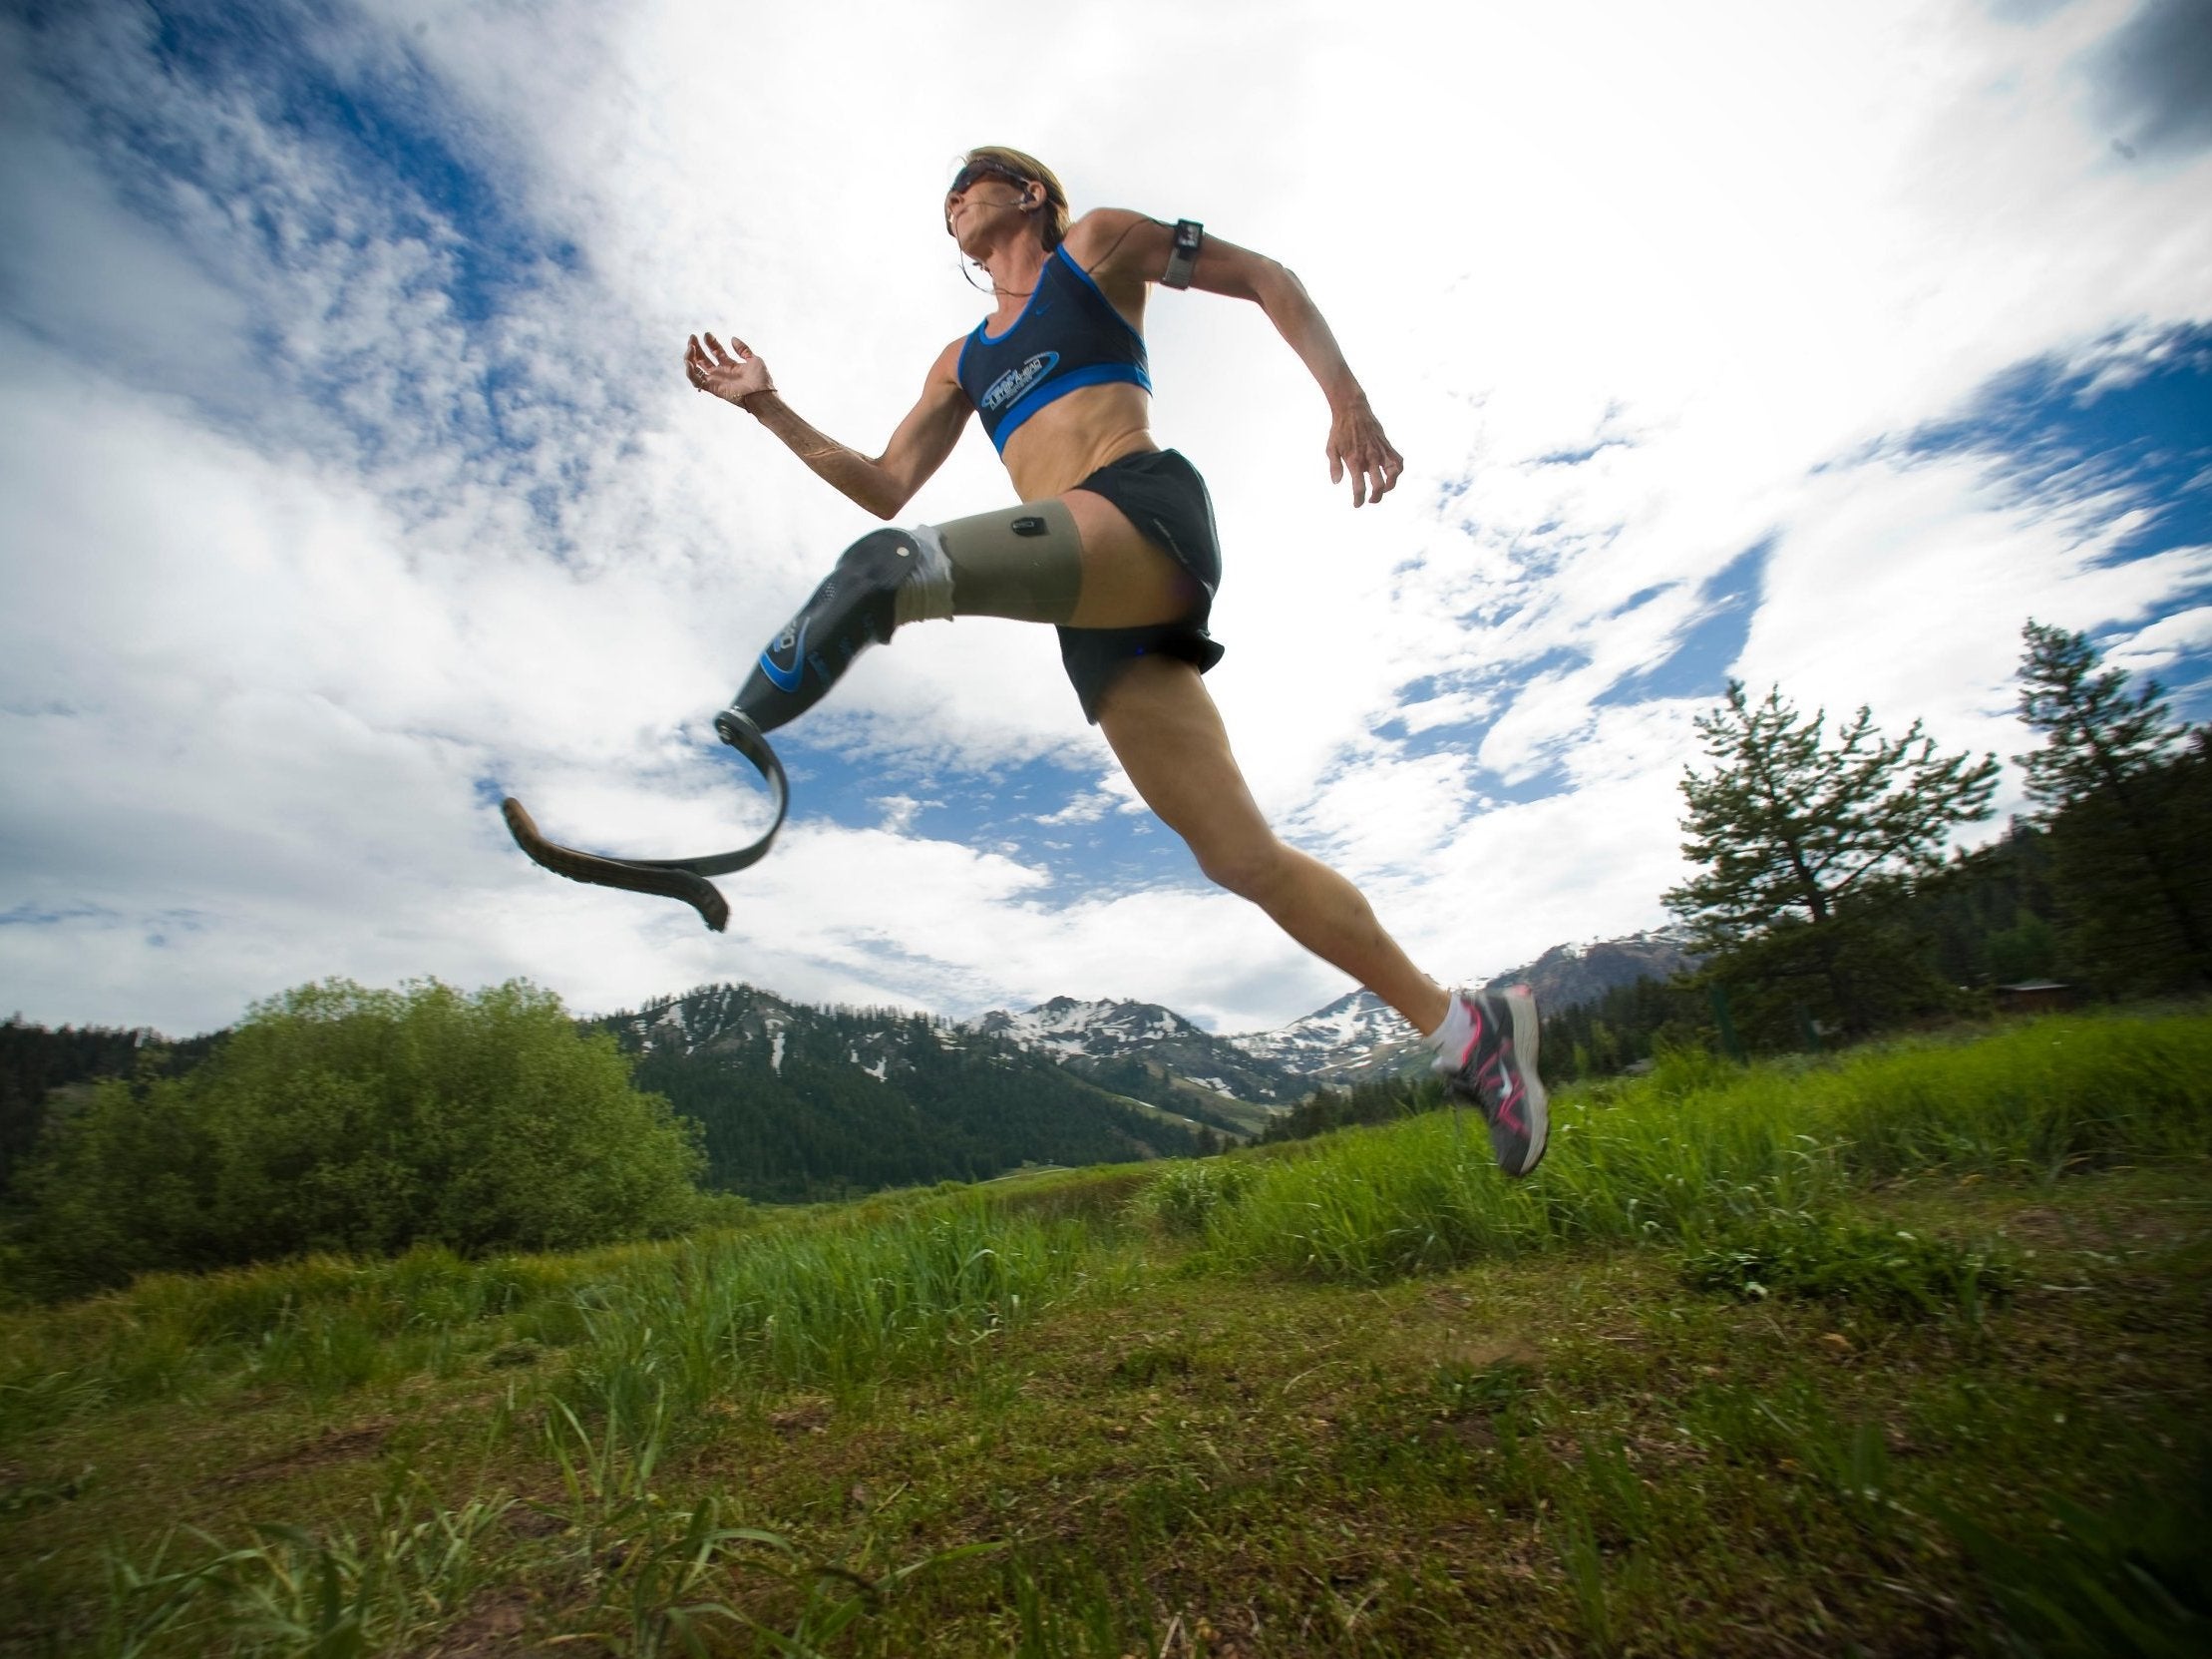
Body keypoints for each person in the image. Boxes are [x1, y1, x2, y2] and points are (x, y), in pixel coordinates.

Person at [684, 147, 1546, 1176]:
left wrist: (1345, 400)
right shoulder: (960, 360)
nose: (955, 197)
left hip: (1139, 510)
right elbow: (882, 481)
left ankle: (744, 720)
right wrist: (766, 405)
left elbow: (1269, 278)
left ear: (1031, 194)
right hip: (1089, 608)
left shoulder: (1097, 248)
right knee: (1239, 858)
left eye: (976, 178)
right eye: (946, 194)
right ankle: (1467, 1034)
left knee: (886, 573)